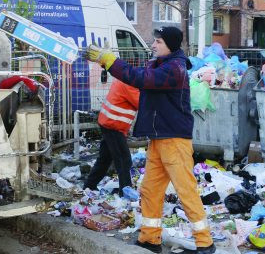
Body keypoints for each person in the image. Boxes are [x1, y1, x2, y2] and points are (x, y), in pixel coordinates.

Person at [85, 26, 215, 254]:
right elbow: (139, 76)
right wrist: (107, 62)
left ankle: (205, 243)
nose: (153, 45)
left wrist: (110, 61)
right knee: (150, 189)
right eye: (154, 41)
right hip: (159, 138)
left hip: (174, 139)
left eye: (159, 42)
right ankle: (149, 238)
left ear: (171, 46)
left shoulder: (174, 69)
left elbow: (140, 78)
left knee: (186, 190)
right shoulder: (162, 65)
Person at [84, 78, 139, 193]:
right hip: (113, 125)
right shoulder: (129, 83)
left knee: (105, 159)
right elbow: (141, 102)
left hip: (108, 123)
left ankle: (89, 186)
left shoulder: (122, 79)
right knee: (124, 160)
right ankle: (125, 192)